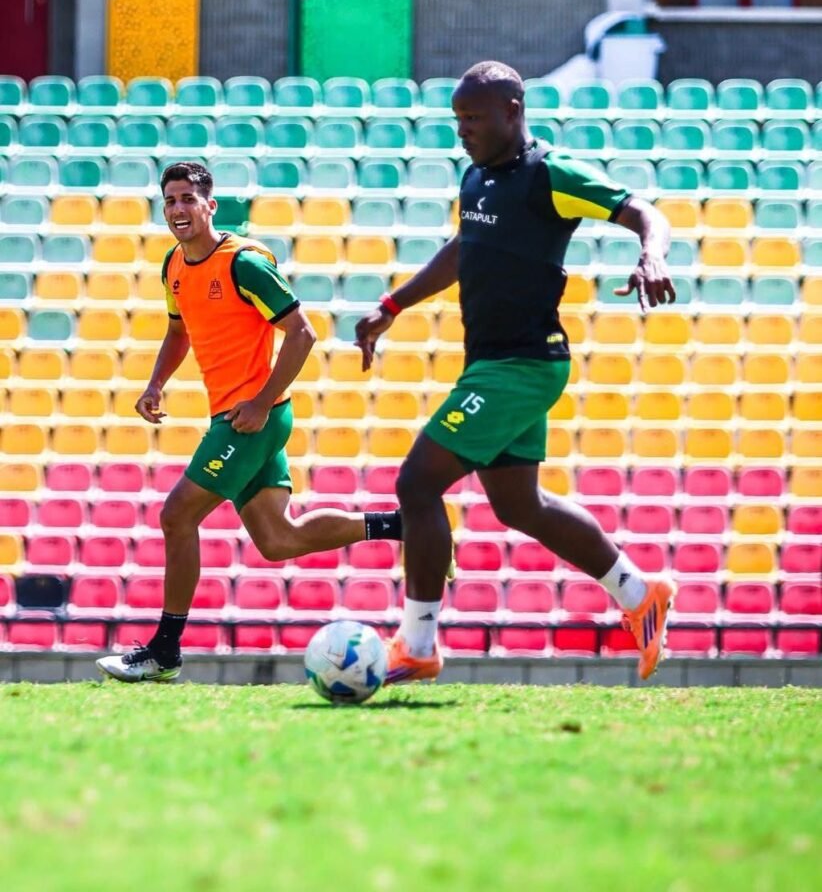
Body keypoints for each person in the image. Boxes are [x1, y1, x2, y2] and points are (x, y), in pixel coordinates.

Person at [355, 60, 677, 684]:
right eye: (457, 119)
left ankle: (417, 644)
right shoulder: (476, 176)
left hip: (521, 365)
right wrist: (393, 305)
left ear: (513, 110)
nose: (463, 130)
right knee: (519, 505)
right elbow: (464, 249)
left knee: (417, 484)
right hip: (495, 362)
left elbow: (643, 212)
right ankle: (642, 596)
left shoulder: (550, 174)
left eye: (473, 118)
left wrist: (652, 254)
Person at [97, 162, 402, 682]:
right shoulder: (174, 265)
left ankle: (164, 651)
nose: (178, 209)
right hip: (236, 415)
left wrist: (261, 403)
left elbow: (303, 333)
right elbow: (179, 331)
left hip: (251, 419)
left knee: (176, 516)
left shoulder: (244, 265)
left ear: (210, 205)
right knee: (279, 539)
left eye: (188, 199)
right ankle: (399, 525)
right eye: (170, 200)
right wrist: (154, 384)